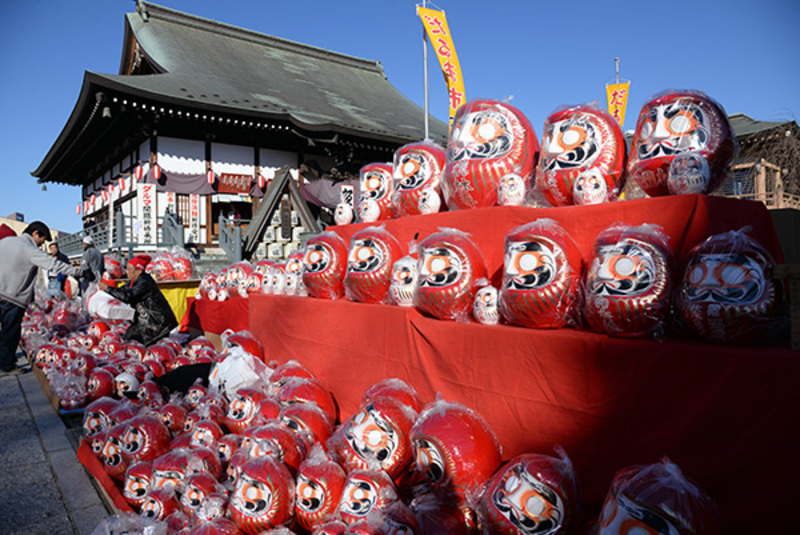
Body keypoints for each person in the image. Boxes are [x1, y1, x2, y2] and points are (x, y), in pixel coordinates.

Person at [0, 221, 80, 375]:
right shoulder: (30, 250)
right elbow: (55, 265)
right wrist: (78, 272)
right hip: (12, 298)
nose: (41, 244)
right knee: (10, 332)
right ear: (35, 233)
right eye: (42, 240)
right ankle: (7, 365)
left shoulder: (5, 242)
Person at [99, 254, 178, 347]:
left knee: (131, 336)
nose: (126, 272)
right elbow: (122, 290)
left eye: (129, 270)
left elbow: (127, 296)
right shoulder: (133, 281)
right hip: (147, 320)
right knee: (129, 335)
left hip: (156, 322)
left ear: (139, 271)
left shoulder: (144, 282)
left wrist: (108, 288)